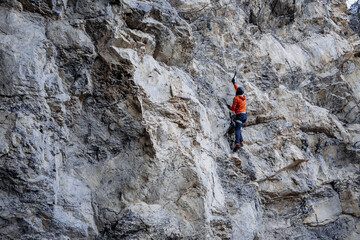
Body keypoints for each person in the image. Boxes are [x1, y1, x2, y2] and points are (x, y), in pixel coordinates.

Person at [227, 73, 247, 152]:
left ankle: (237, 143)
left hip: (239, 116)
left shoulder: (236, 98)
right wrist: (234, 83)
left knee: (237, 129)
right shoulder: (242, 97)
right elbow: (238, 89)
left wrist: (228, 107)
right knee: (238, 127)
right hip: (244, 115)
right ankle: (241, 141)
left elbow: (233, 108)